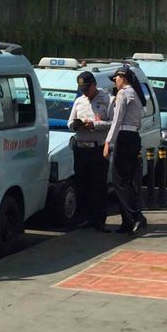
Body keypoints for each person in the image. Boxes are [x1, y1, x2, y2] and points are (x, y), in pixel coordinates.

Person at [67, 72, 113, 233]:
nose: (85, 92)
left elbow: (113, 123)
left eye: (87, 88)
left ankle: (99, 220)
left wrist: (94, 125)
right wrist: (76, 125)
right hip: (81, 148)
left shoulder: (107, 99)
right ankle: (85, 217)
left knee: (98, 186)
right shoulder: (79, 101)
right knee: (82, 184)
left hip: (98, 148)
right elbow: (69, 122)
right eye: (82, 89)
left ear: (94, 85)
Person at [104, 65, 147, 235]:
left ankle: (136, 216)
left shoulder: (123, 93)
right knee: (126, 181)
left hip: (124, 137)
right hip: (134, 137)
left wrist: (108, 142)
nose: (115, 81)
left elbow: (117, 120)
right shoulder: (134, 94)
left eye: (116, 78)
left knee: (119, 181)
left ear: (123, 77)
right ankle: (127, 221)